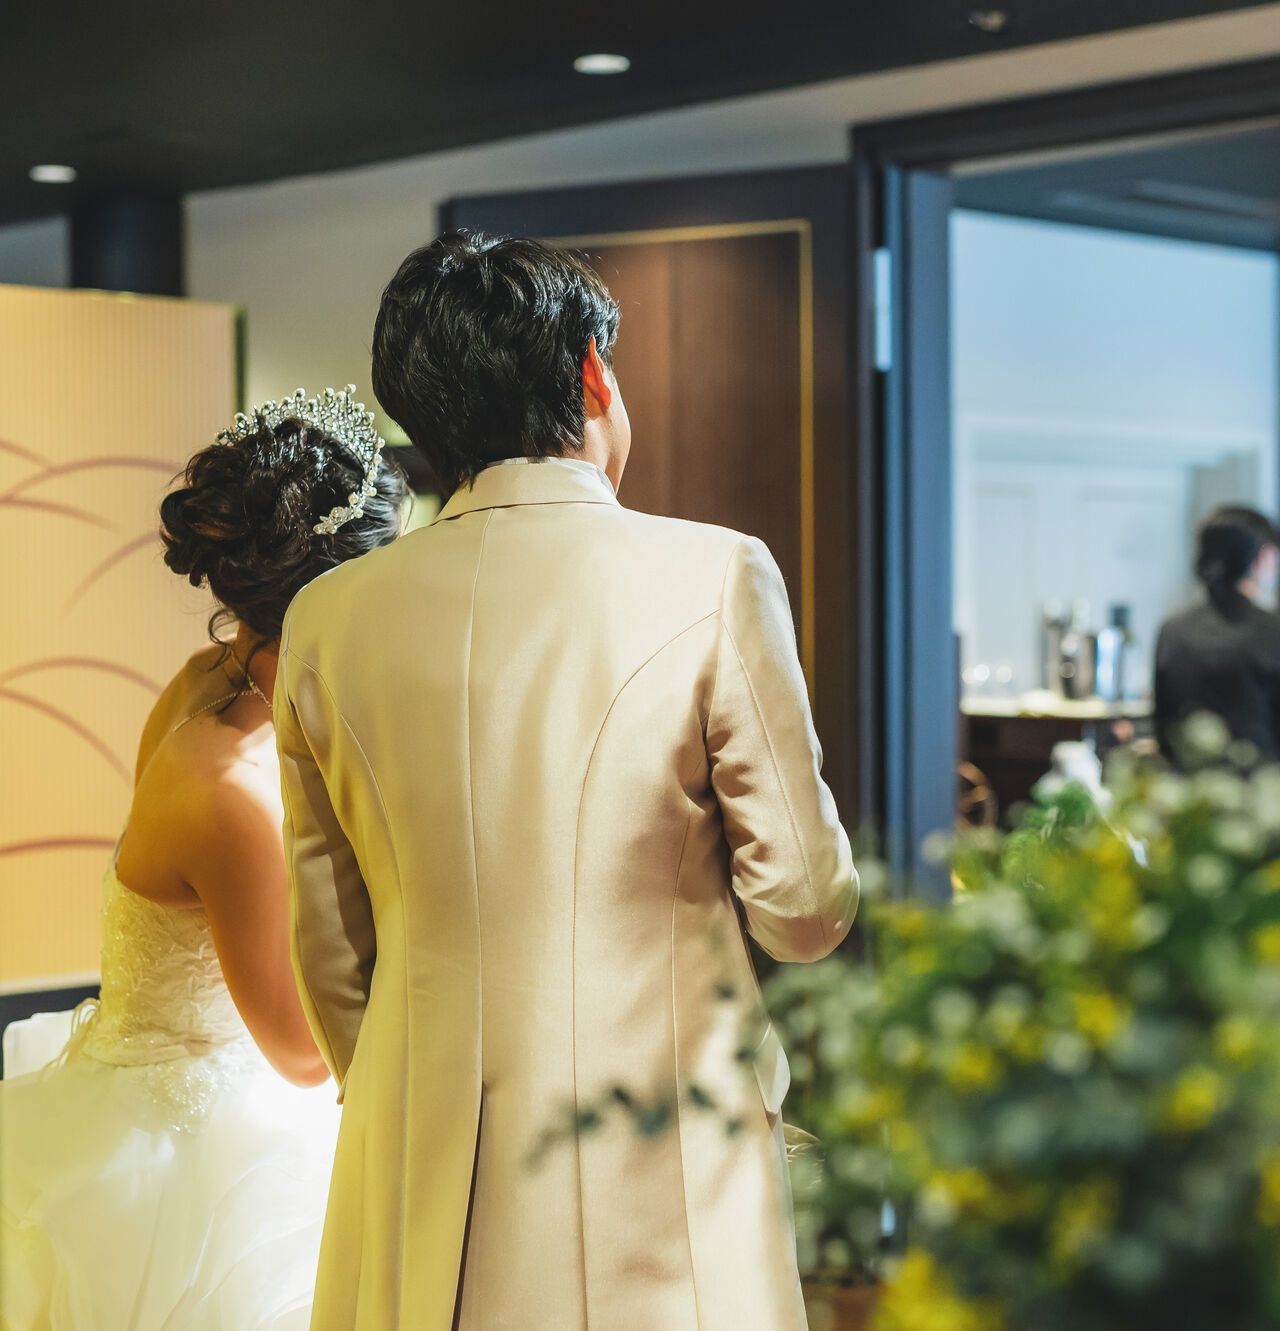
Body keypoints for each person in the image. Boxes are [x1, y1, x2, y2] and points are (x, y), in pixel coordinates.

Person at [277, 232, 858, 1331]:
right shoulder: (715, 572)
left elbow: (333, 953)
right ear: (594, 372)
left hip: (414, 1163)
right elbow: (804, 910)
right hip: (659, 1153)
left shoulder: (326, 618)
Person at [0, 388, 407, 1331]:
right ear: (334, 593)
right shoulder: (230, 788)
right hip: (191, 1163)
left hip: (163, 1091)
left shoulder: (210, 680)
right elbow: (301, 1054)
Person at [1154, 504, 1280, 767]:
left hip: (1187, 785)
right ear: (1260, 557)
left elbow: (1163, 728)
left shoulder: (1172, 631)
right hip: (1261, 785)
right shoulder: (1272, 631)